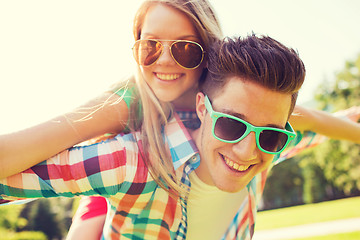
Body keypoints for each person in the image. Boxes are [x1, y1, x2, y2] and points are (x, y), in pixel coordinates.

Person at [1, 34, 360, 240]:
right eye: (232, 125)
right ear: (203, 108)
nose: (248, 150)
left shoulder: (269, 149)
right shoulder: (135, 164)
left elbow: (315, 129)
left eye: (270, 136)